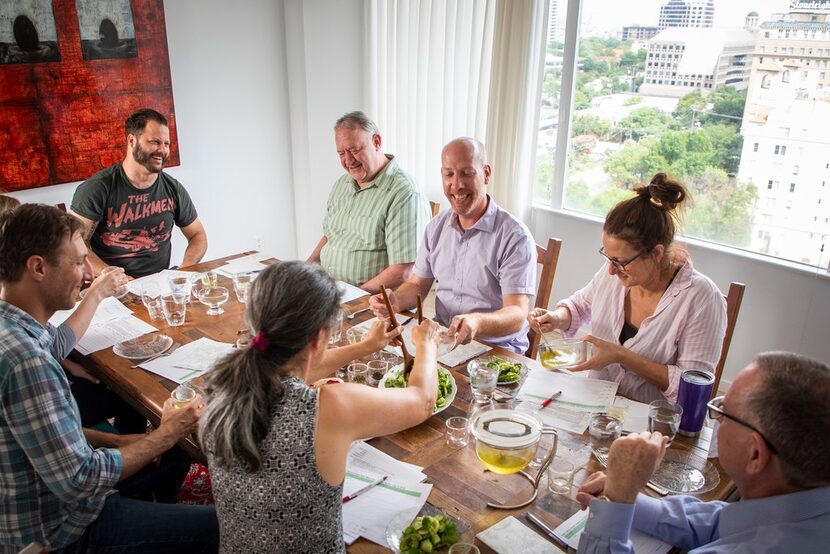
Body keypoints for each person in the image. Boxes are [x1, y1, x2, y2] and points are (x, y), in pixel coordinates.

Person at [0, 204, 218, 553]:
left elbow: (41, 435)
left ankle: (154, 515)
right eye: (76, 262)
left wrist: (120, 441)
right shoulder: (26, 362)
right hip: (62, 532)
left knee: (173, 452)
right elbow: (80, 481)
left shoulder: (16, 328)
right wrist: (167, 432)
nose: (87, 274)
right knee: (226, 525)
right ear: (38, 267)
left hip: (48, 502)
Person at [200, 261, 438, 552]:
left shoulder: (222, 379)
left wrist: (365, 347)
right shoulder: (327, 406)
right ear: (318, 337)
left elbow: (291, 366)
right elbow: (422, 401)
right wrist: (426, 345)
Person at [575, 352, 830, 552]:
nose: (716, 417)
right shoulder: (801, 504)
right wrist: (626, 494)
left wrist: (618, 500)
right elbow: (720, 522)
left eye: (724, 411)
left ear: (755, 455)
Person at [528, 173, 726, 403]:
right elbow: (581, 305)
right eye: (608, 257)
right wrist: (557, 317)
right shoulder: (616, 273)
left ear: (657, 253)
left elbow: (691, 388)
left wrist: (622, 356)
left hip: (652, 426)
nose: (612, 270)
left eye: (621, 262)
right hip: (595, 407)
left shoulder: (702, 299)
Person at [369, 137, 536, 354]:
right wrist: (395, 300)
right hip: (444, 340)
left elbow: (517, 314)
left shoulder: (515, 236)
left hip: (497, 350)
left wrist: (477, 322)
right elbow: (418, 284)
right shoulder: (435, 227)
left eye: (467, 173)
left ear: (486, 173)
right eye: (449, 174)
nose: (456, 185)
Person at [70, 108, 208, 278]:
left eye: (166, 144)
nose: (163, 150)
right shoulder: (97, 188)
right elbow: (74, 244)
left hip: (160, 285)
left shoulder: (172, 188)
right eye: (155, 142)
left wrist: (185, 268)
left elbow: (197, 234)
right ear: (132, 140)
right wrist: (113, 276)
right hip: (114, 289)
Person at [308, 111, 430, 293]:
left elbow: (404, 270)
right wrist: (304, 272)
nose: (348, 160)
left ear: (377, 142)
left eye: (354, 150)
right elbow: (330, 236)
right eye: (341, 153)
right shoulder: (342, 184)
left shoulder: (404, 192)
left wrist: (354, 297)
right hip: (330, 292)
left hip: (373, 302)